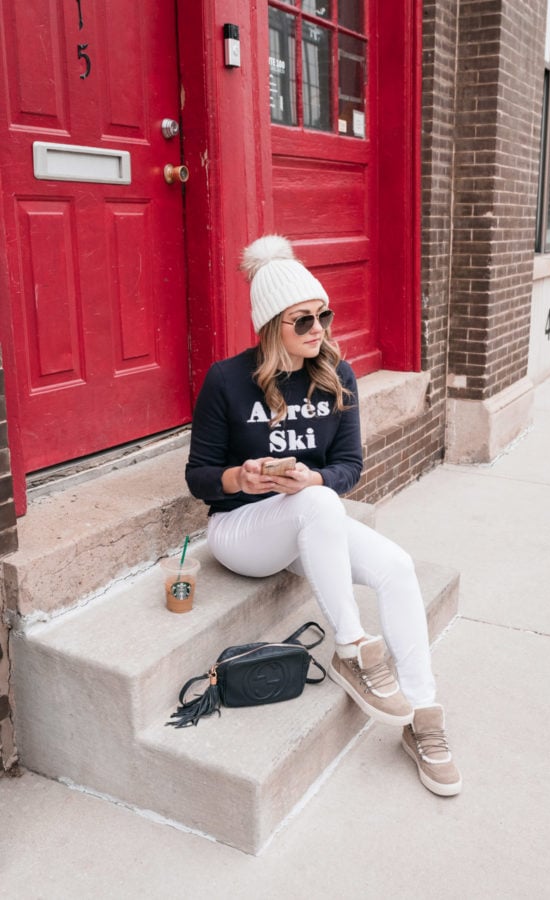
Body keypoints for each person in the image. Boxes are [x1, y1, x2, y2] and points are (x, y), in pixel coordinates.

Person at [185, 235, 461, 797]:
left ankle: (421, 718)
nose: (319, 330)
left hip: (310, 518)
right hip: (241, 531)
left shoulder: (337, 377)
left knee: (397, 566)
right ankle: (353, 648)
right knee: (314, 503)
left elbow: (349, 465)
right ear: (270, 327)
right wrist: (244, 477)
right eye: (303, 321)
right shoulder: (226, 380)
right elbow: (199, 476)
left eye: (323, 315)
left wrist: (315, 479)